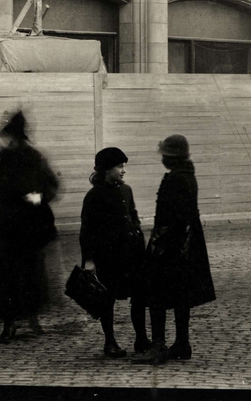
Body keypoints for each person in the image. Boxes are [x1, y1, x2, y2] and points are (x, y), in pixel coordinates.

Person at [131, 134, 216, 365]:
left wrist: (157, 246)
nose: (163, 159)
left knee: (156, 294)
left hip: (170, 246)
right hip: (187, 246)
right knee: (181, 296)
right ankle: (182, 343)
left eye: (165, 155)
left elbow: (169, 219)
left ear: (172, 157)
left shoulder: (174, 179)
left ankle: (158, 346)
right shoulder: (188, 176)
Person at [0, 108, 59, 342]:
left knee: (31, 273)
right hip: (4, 226)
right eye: (7, 137)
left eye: (12, 137)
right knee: (5, 275)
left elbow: (51, 186)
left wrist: (36, 198)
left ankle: (33, 318)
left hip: (30, 225)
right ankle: (9, 323)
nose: (9, 141)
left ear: (20, 137)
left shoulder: (35, 158)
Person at [80, 146, 149, 358]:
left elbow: (133, 216)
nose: (123, 170)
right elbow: (87, 230)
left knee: (139, 297)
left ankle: (141, 339)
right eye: (119, 166)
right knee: (107, 299)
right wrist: (89, 259)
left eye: (123, 166)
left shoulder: (126, 190)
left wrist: (138, 237)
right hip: (109, 257)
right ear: (106, 169)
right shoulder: (94, 196)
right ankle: (110, 342)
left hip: (132, 254)